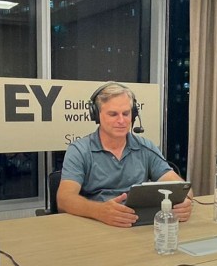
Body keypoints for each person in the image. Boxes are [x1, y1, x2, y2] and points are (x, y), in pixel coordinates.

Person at [57, 82, 192, 227]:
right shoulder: (79, 150)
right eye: (113, 114)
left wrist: (185, 202)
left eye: (126, 114)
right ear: (96, 115)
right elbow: (64, 200)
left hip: (138, 224)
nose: (121, 121)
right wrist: (99, 211)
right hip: (98, 225)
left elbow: (182, 188)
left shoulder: (146, 147)